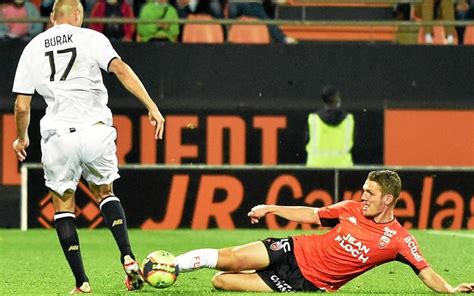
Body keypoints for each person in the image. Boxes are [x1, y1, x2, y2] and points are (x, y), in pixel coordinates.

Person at [11, 0, 165, 293]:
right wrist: (151, 106)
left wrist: (22, 138)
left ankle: (82, 283)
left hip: (59, 136)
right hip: (96, 131)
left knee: (63, 205)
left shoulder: (33, 47)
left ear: (53, 17)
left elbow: (21, 105)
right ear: (79, 14)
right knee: (105, 193)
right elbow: (119, 68)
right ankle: (128, 255)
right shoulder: (93, 37)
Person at [174, 170, 474, 293]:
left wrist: (449, 290)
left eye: (370, 193)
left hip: (304, 281)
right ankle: (170, 265)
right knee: (230, 258)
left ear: (388, 199)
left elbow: (425, 270)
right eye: (363, 191)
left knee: (221, 281)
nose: (364, 197)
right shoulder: (349, 208)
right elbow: (313, 215)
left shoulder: (399, 240)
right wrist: (272, 208)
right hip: (293, 248)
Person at [305, 85, 354, 167]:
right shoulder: (349, 119)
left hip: (315, 168)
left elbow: (305, 140)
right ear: (338, 99)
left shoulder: (313, 119)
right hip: (343, 168)